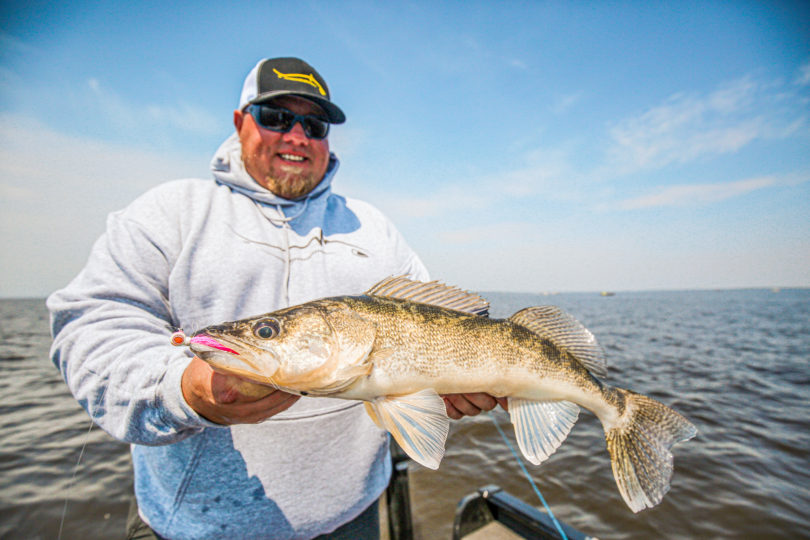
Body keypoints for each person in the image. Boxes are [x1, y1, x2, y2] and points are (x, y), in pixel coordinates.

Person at [48, 57, 503, 540]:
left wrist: (448, 389)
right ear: (240, 122)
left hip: (355, 516)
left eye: (315, 123)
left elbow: (440, 330)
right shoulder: (169, 212)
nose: (297, 135)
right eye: (276, 117)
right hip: (197, 530)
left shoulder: (376, 228)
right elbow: (92, 330)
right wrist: (186, 390)